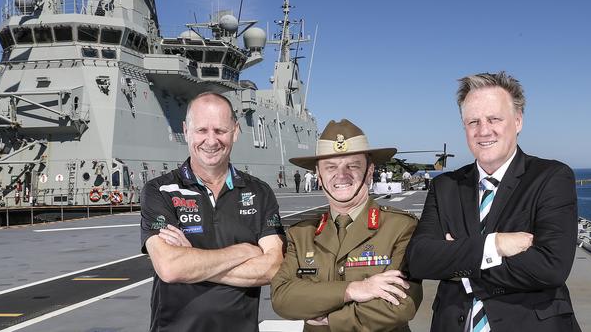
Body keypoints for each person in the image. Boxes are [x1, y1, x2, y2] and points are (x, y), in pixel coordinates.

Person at [405, 72, 580, 332]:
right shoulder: (445, 186)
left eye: (494, 118)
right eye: (473, 121)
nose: (483, 130)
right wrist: (494, 245)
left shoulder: (551, 177)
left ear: (518, 121)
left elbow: (550, 267)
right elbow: (419, 259)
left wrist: (458, 262)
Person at [140, 92, 286, 332]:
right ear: (186, 131)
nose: (211, 140)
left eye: (220, 131)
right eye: (201, 130)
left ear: (235, 131)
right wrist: (245, 250)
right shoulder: (160, 190)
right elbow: (170, 267)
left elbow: (273, 268)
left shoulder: (259, 192)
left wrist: (193, 261)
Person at [272, 119, 422, 331]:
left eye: (353, 165)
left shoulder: (401, 227)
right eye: (331, 167)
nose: (341, 175)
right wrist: (353, 289)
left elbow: (401, 304)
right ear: (319, 176)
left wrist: (330, 319)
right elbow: (281, 297)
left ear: (370, 172)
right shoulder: (301, 234)